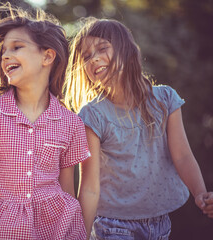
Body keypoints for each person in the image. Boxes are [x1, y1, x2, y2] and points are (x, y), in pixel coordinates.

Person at [65, 17, 213, 240]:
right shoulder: (92, 114)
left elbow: (182, 156)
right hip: (111, 225)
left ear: (126, 50)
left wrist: (201, 193)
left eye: (102, 48)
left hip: (160, 222)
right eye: (86, 56)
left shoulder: (165, 99)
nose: (93, 59)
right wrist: (80, 235)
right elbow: (89, 187)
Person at [0, 4, 92, 239]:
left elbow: (67, 188)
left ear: (47, 56)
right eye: (3, 50)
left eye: (17, 47)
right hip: (6, 229)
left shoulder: (71, 122)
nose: (5, 55)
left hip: (59, 228)